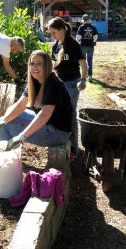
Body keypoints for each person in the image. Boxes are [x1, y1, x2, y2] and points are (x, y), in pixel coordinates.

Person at [0, 50, 73, 183]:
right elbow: (19, 106)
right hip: (49, 125)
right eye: (32, 63)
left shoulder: (52, 84)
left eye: (39, 64)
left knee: (7, 127)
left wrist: (22, 135)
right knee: (7, 119)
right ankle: (0, 160)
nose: (35, 67)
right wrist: (2, 119)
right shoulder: (35, 81)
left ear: (47, 65)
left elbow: (44, 115)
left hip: (57, 133)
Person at [47, 17, 87, 159]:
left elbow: (83, 63)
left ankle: (74, 149)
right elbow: (53, 66)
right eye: (50, 33)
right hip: (58, 84)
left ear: (62, 29)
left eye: (54, 32)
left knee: (70, 115)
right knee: (56, 114)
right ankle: (61, 143)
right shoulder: (55, 45)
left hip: (71, 84)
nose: (52, 35)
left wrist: (83, 79)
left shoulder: (73, 45)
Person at [76, 14, 98, 82]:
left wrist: (78, 42)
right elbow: (96, 36)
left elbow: (78, 37)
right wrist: (93, 41)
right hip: (91, 46)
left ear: (83, 20)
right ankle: (90, 76)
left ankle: (83, 76)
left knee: (83, 62)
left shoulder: (81, 27)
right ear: (88, 20)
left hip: (83, 46)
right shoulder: (93, 27)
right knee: (90, 61)